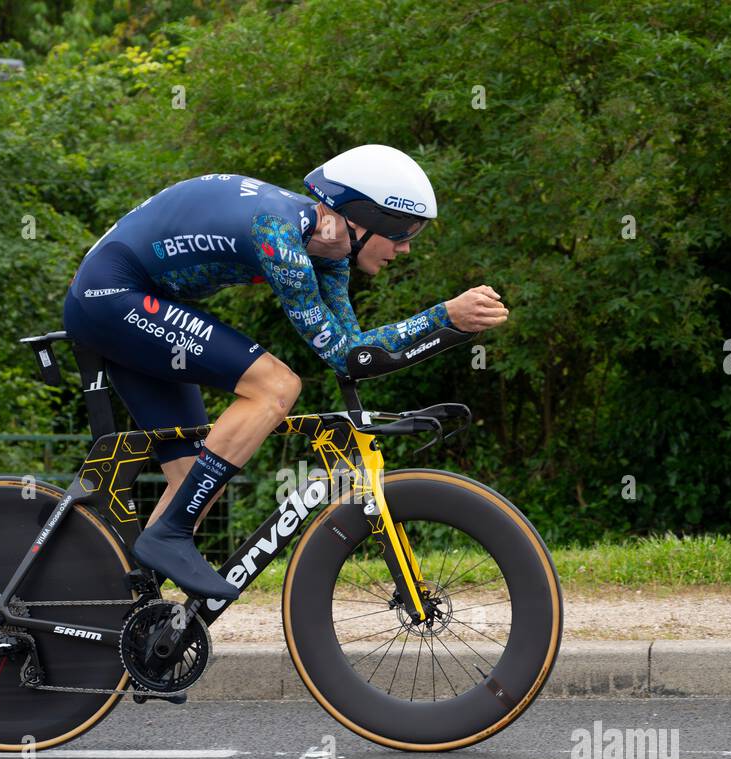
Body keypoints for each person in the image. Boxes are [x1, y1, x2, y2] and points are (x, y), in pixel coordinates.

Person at [63, 144, 508, 599]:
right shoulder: (278, 232)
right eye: (402, 232)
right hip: (111, 296)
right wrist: (441, 316)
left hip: (138, 303)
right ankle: (167, 534)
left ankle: (128, 615)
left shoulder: (329, 254)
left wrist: (448, 325)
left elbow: (353, 356)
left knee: (193, 482)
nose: (407, 247)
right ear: (359, 219)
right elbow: (338, 353)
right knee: (276, 385)